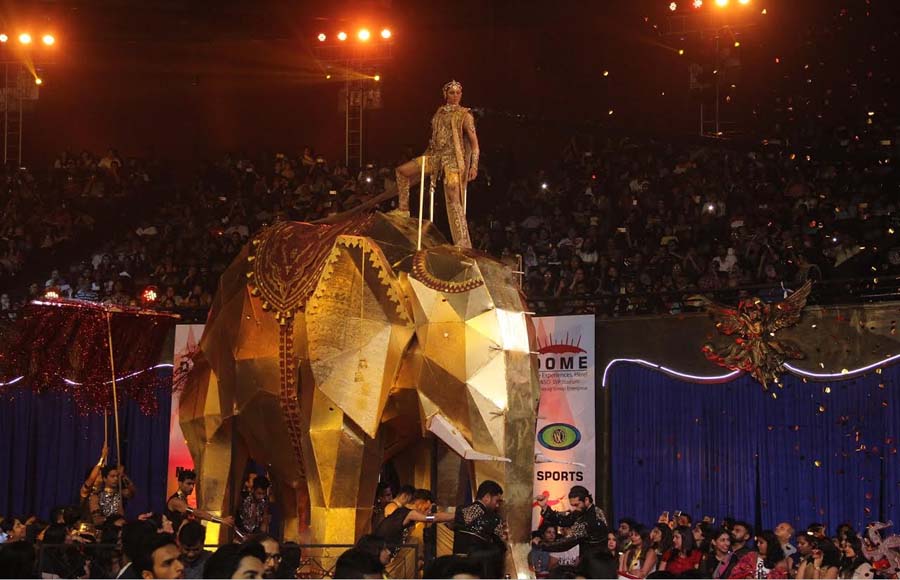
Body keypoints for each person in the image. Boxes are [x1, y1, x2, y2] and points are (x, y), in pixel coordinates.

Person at [394, 79, 480, 248]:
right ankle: (403, 210)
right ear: (445, 94)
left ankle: (462, 240)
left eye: (458, 92)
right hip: (434, 156)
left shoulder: (465, 115)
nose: (455, 96)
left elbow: (475, 144)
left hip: (453, 160)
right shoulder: (439, 112)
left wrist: (474, 165)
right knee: (402, 171)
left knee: (453, 195)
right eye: (451, 92)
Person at [535, 485, 615, 579]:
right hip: (599, 563)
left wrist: (540, 544)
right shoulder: (590, 510)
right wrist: (544, 507)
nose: (575, 509)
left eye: (577, 505)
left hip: (594, 567)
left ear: (586, 500)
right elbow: (565, 520)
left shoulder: (588, 520)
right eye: (573, 505)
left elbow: (565, 543)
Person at [453, 480, 508, 578]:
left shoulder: (460, 511)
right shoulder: (494, 518)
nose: (497, 505)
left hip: (458, 568)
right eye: (497, 501)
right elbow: (501, 547)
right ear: (487, 497)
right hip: (481, 570)